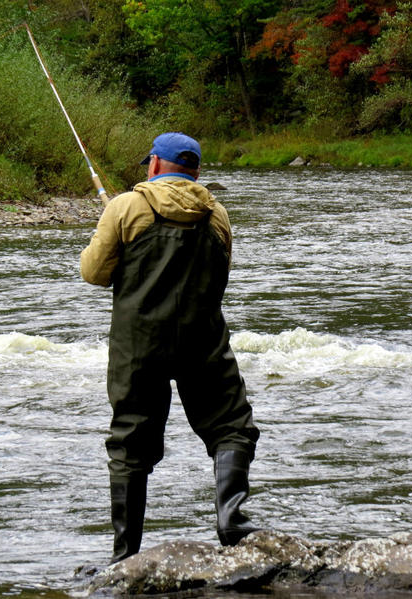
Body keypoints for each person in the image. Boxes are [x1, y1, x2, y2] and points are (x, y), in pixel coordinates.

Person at [80, 132, 261, 563]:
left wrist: (115, 228)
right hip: (204, 339)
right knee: (232, 427)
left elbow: (93, 273)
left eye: (149, 164)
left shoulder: (125, 207)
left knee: (131, 443)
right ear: (195, 172)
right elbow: (221, 275)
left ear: (156, 165)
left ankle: (125, 558)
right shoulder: (218, 214)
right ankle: (231, 523)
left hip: (139, 344)